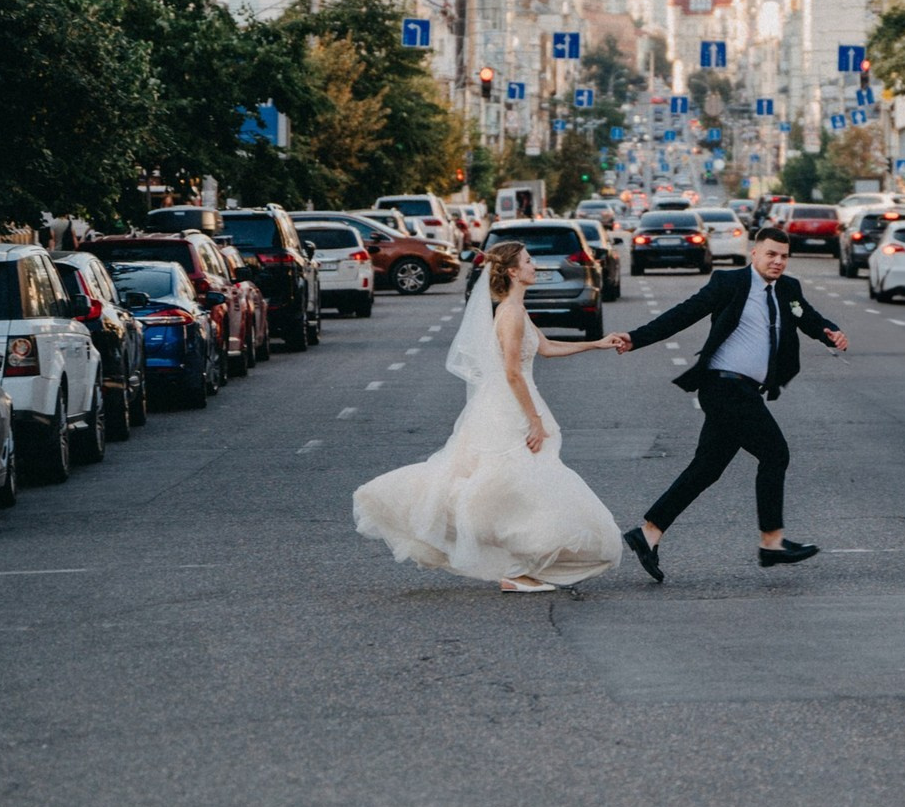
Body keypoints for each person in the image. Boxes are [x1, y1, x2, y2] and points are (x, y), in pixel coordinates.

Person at [353, 239, 624, 594]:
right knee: (514, 485)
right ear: (512, 271)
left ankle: (521, 566)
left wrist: (597, 343)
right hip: (510, 407)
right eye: (528, 261)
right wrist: (535, 420)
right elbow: (512, 372)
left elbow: (545, 348)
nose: (534, 266)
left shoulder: (517, 310)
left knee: (518, 487)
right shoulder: (510, 314)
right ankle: (516, 569)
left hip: (513, 402)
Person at [613, 225, 849, 580]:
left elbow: (807, 318)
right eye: (771, 254)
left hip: (745, 391)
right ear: (754, 253)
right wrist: (635, 338)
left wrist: (829, 332)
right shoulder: (730, 283)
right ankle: (772, 542)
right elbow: (683, 314)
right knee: (775, 452)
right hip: (722, 387)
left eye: (784, 256)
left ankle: (649, 533)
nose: (778, 262)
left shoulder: (787, 289)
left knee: (707, 467)